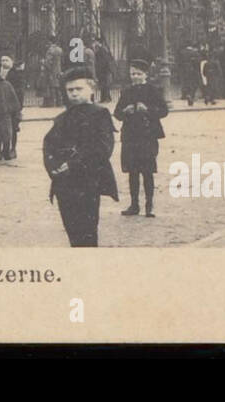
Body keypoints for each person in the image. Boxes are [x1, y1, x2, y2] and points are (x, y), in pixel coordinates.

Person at [43, 66, 118, 246]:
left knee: (87, 231)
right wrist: (54, 167)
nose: (74, 94)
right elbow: (49, 146)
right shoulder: (62, 118)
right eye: (70, 90)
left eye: (79, 89)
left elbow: (102, 149)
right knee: (71, 230)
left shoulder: (99, 114)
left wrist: (73, 164)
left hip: (87, 180)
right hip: (64, 182)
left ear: (92, 90)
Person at [115, 58, 168, 218]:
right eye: (132, 74)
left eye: (138, 73)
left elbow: (164, 111)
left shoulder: (153, 90)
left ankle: (149, 205)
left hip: (147, 135)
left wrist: (148, 110)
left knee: (147, 172)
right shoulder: (126, 92)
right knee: (132, 172)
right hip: (130, 136)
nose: (135, 77)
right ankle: (134, 204)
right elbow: (117, 113)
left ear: (145, 74)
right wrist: (126, 111)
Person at [0, 53, 24, 159]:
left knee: (13, 128)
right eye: (2, 60)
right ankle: (1, 150)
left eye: (6, 60)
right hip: (1, 105)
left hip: (13, 105)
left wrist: (19, 106)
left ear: (12, 62)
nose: (4, 62)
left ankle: (13, 149)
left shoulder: (16, 74)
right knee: (0, 128)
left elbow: (20, 91)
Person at [92, 37, 115, 103]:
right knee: (103, 85)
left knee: (105, 85)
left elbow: (104, 61)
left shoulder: (102, 50)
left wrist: (101, 69)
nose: (94, 43)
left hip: (104, 70)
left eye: (95, 42)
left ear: (98, 42)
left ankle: (106, 99)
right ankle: (104, 99)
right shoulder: (100, 49)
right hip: (103, 70)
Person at [42, 40, 64, 107]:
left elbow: (48, 62)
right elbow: (62, 61)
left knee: (51, 87)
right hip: (58, 70)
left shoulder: (50, 50)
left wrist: (44, 63)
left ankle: (51, 103)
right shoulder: (60, 50)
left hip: (51, 71)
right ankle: (59, 102)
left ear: (49, 42)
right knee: (58, 87)